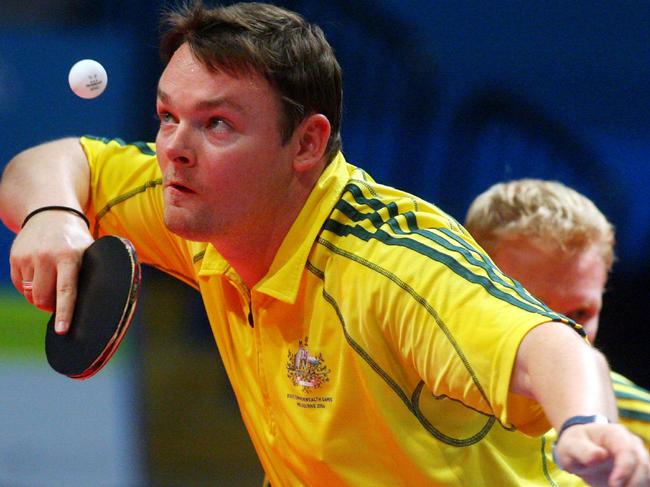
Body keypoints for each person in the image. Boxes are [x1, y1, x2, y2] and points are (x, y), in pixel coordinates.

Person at [0, 2, 648, 485]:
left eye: (216, 123)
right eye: (169, 116)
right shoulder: (208, 203)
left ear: (306, 144)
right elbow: (54, 161)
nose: (173, 148)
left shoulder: (387, 264)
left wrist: (588, 428)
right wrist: (54, 214)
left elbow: (551, 344)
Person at [464, 178, 650, 451]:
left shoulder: (641, 429)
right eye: (533, 308)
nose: (562, 333)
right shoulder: (396, 378)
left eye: (580, 313)